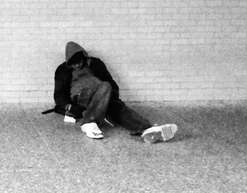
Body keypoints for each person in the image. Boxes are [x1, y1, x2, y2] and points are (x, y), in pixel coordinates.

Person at [48, 41, 178, 142]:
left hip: (102, 95)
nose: (76, 66)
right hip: (81, 97)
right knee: (105, 86)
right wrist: (70, 107)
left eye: (78, 63)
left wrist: (113, 98)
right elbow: (59, 95)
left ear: (84, 57)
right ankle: (88, 122)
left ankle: (146, 129)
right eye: (73, 64)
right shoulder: (62, 70)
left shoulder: (96, 63)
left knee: (119, 109)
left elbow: (111, 82)